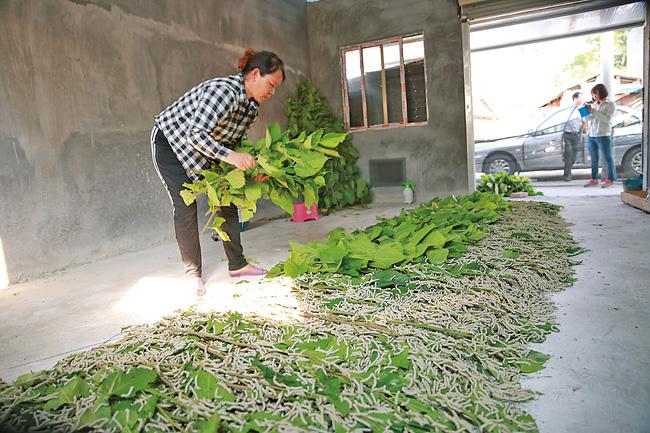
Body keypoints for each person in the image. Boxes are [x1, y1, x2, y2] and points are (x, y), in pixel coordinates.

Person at [151, 49, 285, 295]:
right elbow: (195, 134)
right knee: (185, 206)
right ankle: (193, 276)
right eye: (271, 84)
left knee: (228, 199)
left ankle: (238, 266)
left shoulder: (251, 108)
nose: (272, 92)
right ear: (255, 74)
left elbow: (235, 144)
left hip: (207, 151)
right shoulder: (223, 91)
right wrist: (232, 157)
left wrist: (253, 169)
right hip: (172, 145)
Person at [584, 83, 617, 188]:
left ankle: (610, 179)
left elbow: (607, 120)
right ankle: (594, 179)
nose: (594, 96)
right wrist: (585, 111)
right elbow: (587, 119)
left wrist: (595, 112)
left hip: (603, 134)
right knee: (594, 158)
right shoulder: (594, 104)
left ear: (602, 93)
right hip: (592, 134)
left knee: (607, 158)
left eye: (596, 94)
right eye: (593, 94)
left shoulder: (610, 104)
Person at [561, 92, 586, 181]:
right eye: (581, 98)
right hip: (567, 134)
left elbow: (584, 122)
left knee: (574, 156)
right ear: (575, 98)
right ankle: (567, 175)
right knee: (569, 153)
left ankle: (568, 169)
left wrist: (585, 130)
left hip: (576, 135)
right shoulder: (568, 109)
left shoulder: (583, 109)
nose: (583, 100)